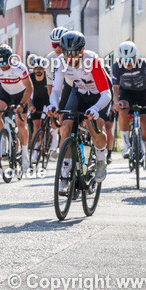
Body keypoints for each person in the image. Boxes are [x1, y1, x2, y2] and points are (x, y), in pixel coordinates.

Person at [45, 30, 111, 193]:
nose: (70, 59)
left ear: (82, 51)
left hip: (99, 96)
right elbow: (55, 91)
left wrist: (95, 108)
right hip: (79, 92)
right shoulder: (60, 61)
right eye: (67, 54)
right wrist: (53, 105)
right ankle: (65, 174)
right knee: (65, 128)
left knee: (94, 126)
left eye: (74, 55)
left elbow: (106, 94)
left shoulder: (93, 61)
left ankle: (101, 160)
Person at [111, 41, 146, 171]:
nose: (127, 63)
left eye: (130, 59)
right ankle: (126, 144)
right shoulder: (116, 66)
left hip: (142, 94)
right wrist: (116, 102)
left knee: (145, 123)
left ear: (135, 58)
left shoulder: (142, 64)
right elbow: (115, 88)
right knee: (122, 109)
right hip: (126, 93)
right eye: (124, 60)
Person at [0, 45, 31, 170]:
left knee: (20, 124)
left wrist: (23, 104)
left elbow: (30, 88)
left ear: (11, 59)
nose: (2, 65)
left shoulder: (19, 68)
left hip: (21, 94)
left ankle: (25, 153)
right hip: (5, 92)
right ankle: (3, 138)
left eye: (5, 62)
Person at [27, 54, 53, 164]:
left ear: (44, 69)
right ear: (33, 69)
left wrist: (51, 106)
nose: (38, 71)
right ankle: (35, 149)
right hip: (36, 101)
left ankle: (52, 138)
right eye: (36, 69)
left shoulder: (48, 76)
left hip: (47, 99)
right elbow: (28, 93)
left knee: (51, 122)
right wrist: (30, 105)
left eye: (40, 69)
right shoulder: (30, 77)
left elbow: (51, 92)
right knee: (36, 126)